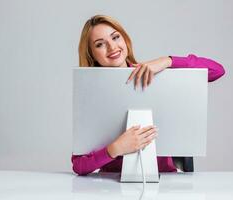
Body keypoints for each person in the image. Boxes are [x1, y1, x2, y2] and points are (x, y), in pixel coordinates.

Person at [72, 15, 225, 175]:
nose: (112, 47)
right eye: (100, 44)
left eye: (115, 37)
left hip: (164, 181)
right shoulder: (90, 93)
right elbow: (79, 166)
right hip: (112, 184)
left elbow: (217, 71)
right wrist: (115, 149)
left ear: (124, 39)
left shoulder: (154, 75)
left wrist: (168, 61)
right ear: (92, 55)